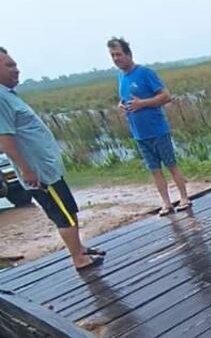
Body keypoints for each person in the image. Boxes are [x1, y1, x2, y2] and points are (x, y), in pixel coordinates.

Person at [0, 48, 104, 271]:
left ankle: (80, 249)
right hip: (38, 173)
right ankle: (78, 259)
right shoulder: (0, 98)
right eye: (9, 65)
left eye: (15, 64)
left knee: (68, 209)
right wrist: (26, 170)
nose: (16, 70)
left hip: (48, 169)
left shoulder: (8, 95)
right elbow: (6, 140)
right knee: (62, 214)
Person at [107, 37, 190, 216]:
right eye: (113, 55)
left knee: (171, 165)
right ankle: (166, 203)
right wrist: (121, 105)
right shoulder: (121, 77)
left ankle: (184, 198)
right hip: (139, 133)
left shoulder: (145, 73)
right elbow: (125, 99)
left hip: (157, 129)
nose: (116, 58)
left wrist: (143, 103)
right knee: (154, 170)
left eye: (119, 54)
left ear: (128, 54)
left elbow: (166, 96)